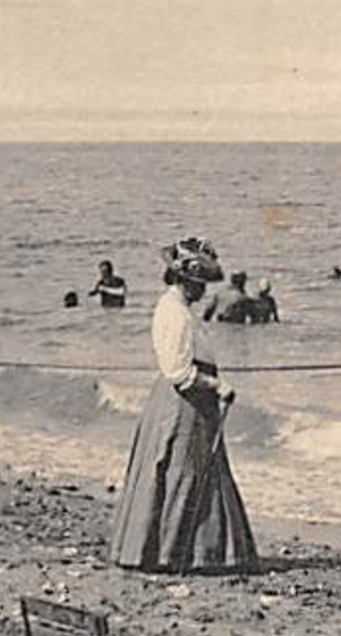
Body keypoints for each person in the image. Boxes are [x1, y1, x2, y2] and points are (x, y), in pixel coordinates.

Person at [109, 238, 258, 574]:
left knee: (190, 471)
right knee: (184, 473)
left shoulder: (178, 309)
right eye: (199, 285)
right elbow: (178, 372)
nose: (203, 292)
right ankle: (173, 554)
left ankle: (191, 553)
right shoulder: (173, 313)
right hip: (183, 402)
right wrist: (218, 385)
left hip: (190, 401)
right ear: (184, 281)